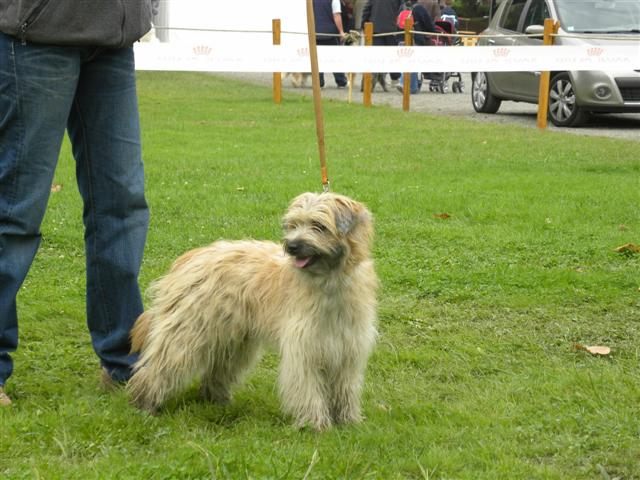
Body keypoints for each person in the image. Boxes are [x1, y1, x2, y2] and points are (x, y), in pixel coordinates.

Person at [0, 0, 158, 406]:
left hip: (113, 40)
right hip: (38, 33)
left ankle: (123, 358)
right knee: (16, 208)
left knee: (122, 204)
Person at [361, 0, 403, 91]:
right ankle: (396, 79)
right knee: (393, 57)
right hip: (391, 29)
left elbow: (366, 10)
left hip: (375, 29)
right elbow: (400, 10)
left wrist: (364, 25)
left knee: (374, 58)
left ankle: (367, 85)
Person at [397, 0, 438, 94]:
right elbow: (429, 26)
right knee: (413, 63)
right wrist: (433, 32)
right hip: (414, 39)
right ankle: (408, 85)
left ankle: (406, 83)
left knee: (404, 61)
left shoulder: (402, 7)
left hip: (401, 37)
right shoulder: (419, 9)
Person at [313, 0, 349, 88]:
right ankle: (341, 81)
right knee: (335, 58)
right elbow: (336, 15)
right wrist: (341, 31)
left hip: (314, 32)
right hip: (329, 33)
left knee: (316, 59)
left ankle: (319, 82)